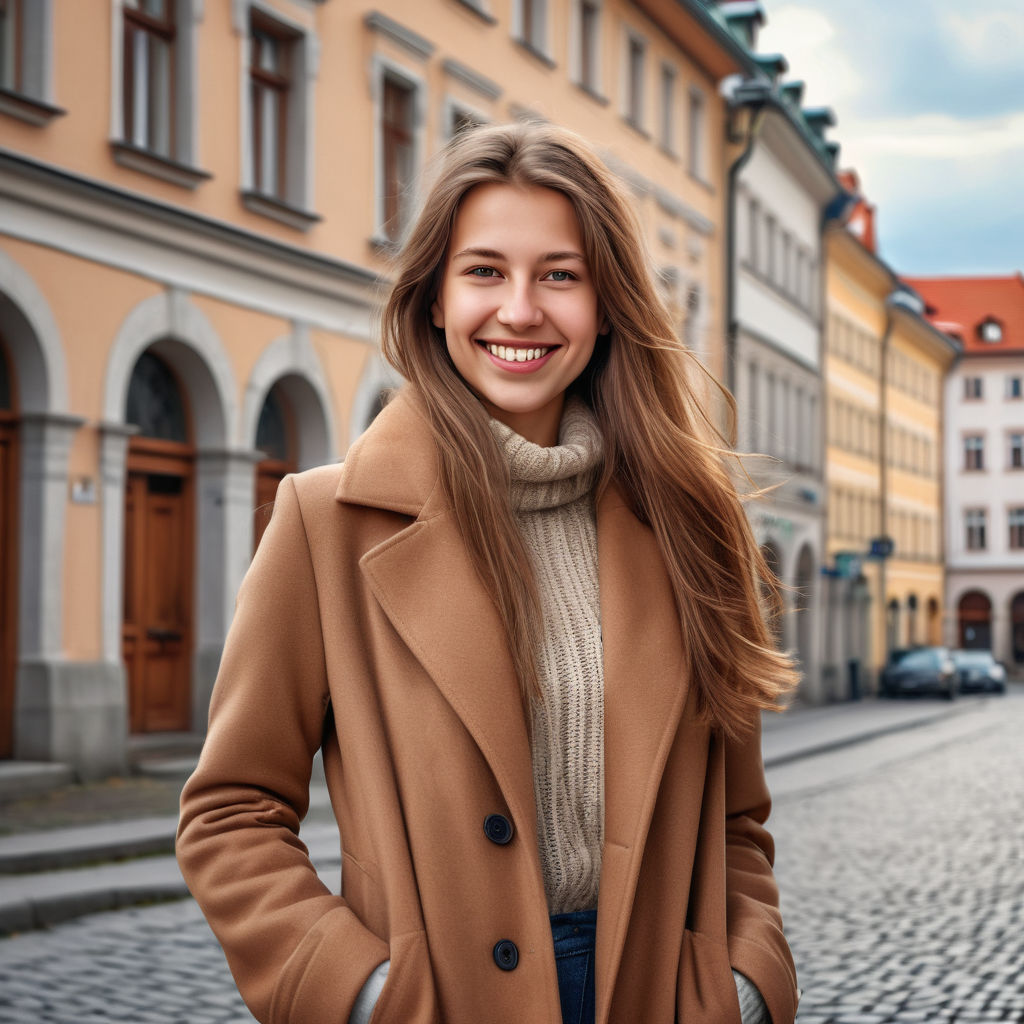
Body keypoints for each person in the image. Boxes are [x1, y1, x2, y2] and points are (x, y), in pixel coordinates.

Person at [177, 121, 799, 1024]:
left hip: (659, 996)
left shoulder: (692, 525)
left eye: (560, 274)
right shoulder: (326, 524)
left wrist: (743, 981)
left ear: (607, 302)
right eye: (483, 272)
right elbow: (231, 811)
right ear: (433, 299)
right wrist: (361, 993)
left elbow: (738, 820)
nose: (519, 310)